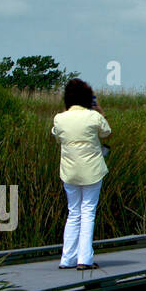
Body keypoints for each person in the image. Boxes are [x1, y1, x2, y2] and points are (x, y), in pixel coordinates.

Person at [51, 78, 111, 270]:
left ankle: (67, 258)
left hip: (69, 172)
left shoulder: (59, 118)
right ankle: (84, 259)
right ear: (87, 98)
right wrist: (99, 110)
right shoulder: (94, 117)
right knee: (88, 212)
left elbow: (56, 134)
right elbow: (107, 132)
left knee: (73, 213)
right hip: (92, 170)